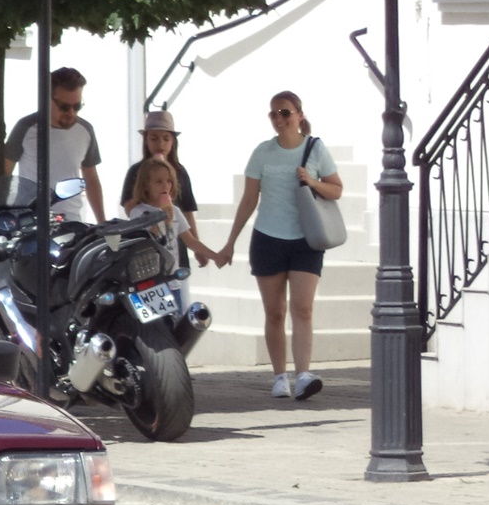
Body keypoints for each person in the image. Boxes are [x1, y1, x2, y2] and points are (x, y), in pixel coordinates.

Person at [215, 91, 343, 401]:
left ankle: (303, 375)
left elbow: (336, 189)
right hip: (268, 238)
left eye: (285, 112)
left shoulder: (316, 149)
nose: (279, 119)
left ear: (299, 114)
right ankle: (279, 376)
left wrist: (312, 182)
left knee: (303, 308)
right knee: (274, 312)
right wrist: (230, 242)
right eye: (273, 114)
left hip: (306, 239)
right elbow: (248, 200)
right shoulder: (262, 152)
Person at [3, 67, 105, 223]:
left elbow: (91, 178)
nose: (71, 112)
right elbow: (4, 175)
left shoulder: (86, 131)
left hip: (71, 222)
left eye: (77, 106)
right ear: (47, 98)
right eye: (64, 107)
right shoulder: (26, 127)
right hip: (29, 220)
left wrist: (102, 222)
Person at [128, 158, 218, 310]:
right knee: (156, 324)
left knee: (175, 322)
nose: (165, 186)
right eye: (158, 182)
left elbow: (190, 240)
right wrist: (161, 221)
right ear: (146, 186)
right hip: (151, 283)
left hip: (173, 280)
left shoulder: (175, 211)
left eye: (169, 181)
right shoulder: (139, 212)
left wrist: (214, 255)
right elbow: (144, 241)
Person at [121, 110, 202, 269]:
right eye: (154, 138)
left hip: (176, 246)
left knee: (178, 288)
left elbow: (187, 211)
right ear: (146, 141)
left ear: (173, 142)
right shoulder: (136, 171)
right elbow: (129, 208)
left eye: (166, 139)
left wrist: (197, 247)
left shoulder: (180, 172)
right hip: (148, 248)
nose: (161, 144)